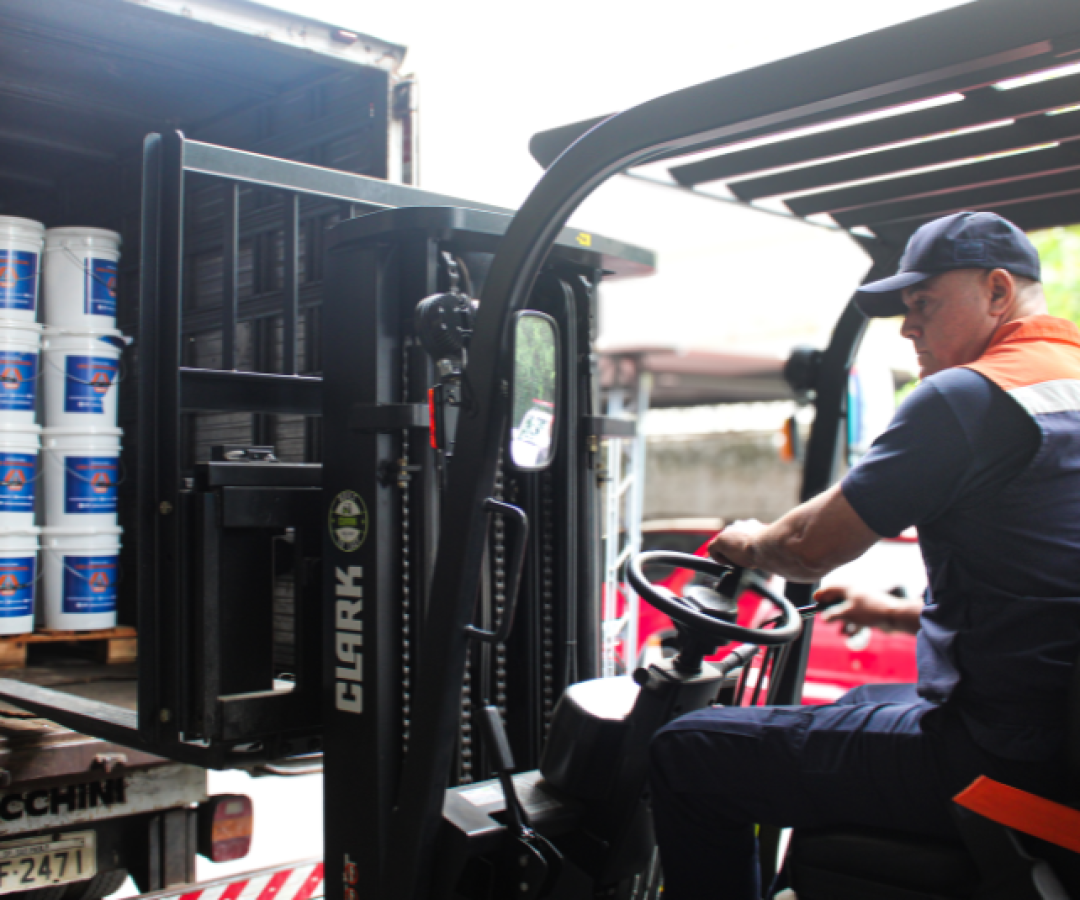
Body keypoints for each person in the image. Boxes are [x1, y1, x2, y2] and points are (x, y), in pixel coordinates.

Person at [649, 210, 1080, 899]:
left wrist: (748, 541)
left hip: (999, 762)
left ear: (999, 291)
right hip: (1055, 746)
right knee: (858, 700)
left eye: (924, 304)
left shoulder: (971, 396)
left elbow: (806, 548)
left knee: (686, 751)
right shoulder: (1066, 383)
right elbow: (1046, 574)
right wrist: (889, 611)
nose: (908, 327)